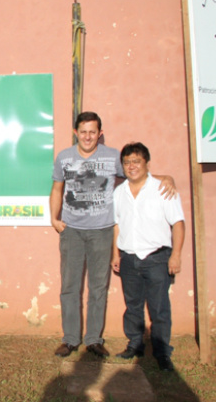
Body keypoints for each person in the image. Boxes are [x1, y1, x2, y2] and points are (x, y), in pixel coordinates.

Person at [49, 111, 175, 358]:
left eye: (92, 132)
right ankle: (71, 339)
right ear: (76, 133)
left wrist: (165, 178)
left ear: (100, 133)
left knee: (98, 287)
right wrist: (54, 219)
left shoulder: (112, 156)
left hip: (103, 231)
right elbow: (56, 189)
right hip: (72, 232)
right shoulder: (64, 157)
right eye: (83, 132)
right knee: (70, 287)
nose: (87, 137)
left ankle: (94, 340)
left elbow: (136, 175)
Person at [111, 142, 184, 372]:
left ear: (146, 163)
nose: (131, 166)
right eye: (127, 162)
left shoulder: (163, 188)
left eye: (136, 161)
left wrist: (176, 255)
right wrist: (116, 254)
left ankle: (162, 352)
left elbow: (178, 224)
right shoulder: (118, 192)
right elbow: (116, 225)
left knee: (159, 307)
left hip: (156, 258)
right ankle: (135, 345)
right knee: (132, 306)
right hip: (129, 258)